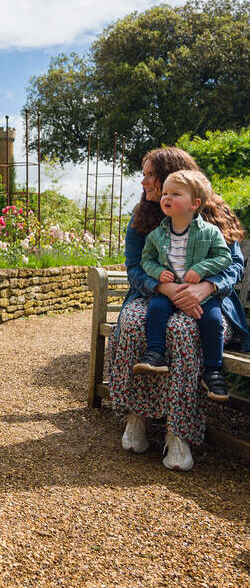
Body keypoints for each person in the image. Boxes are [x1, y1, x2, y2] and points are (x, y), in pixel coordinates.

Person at [107, 147, 249, 472]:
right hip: (157, 292)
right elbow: (134, 267)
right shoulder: (142, 217)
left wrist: (206, 287)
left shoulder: (214, 214)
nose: (143, 182)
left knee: (183, 330)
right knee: (132, 321)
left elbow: (234, 266)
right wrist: (164, 286)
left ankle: (179, 432)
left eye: (149, 174)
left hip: (206, 301)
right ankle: (137, 416)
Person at [134, 170, 232, 403]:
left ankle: (213, 371)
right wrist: (158, 273)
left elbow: (224, 257)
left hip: (201, 296)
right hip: (168, 292)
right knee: (155, 309)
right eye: (165, 192)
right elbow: (146, 260)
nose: (166, 197)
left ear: (194, 204)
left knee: (213, 321)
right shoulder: (157, 235)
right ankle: (156, 354)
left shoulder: (209, 232)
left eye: (175, 193)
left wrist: (202, 269)